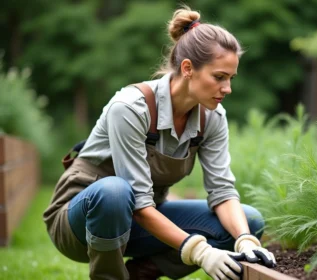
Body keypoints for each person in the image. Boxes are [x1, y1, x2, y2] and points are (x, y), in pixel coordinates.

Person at [43, 5, 276, 280]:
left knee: (249, 221)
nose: (228, 88)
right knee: (115, 192)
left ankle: (143, 272)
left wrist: (245, 240)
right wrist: (199, 251)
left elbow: (223, 192)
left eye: (231, 78)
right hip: (80, 224)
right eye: (219, 77)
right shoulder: (130, 108)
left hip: (141, 224)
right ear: (188, 68)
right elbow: (138, 203)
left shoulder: (212, 117)